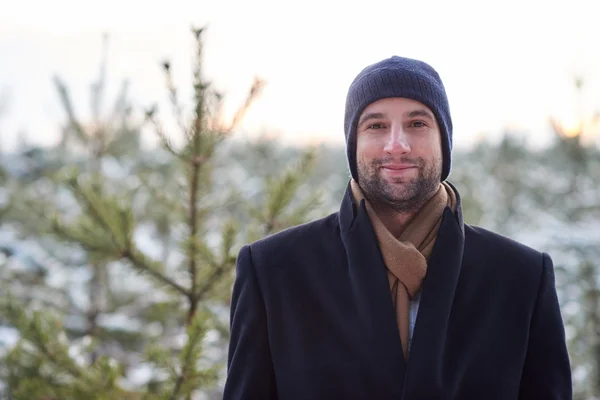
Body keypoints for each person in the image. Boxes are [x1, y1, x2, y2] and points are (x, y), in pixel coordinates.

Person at [223, 56, 572, 399]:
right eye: (375, 125)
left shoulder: (520, 277)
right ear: (353, 143)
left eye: (417, 124)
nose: (397, 145)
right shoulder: (274, 271)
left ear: (443, 140)